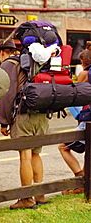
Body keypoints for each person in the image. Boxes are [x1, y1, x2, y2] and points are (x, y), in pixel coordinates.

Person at [0, 38, 48, 209]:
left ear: (2, 52)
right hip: (41, 113)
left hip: (23, 114)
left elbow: (7, 95)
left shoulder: (8, 64)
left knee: (25, 155)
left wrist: (4, 121)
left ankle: (27, 199)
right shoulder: (31, 60)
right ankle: (40, 195)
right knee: (36, 154)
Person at [58, 45, 91, 195]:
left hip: (88, 119)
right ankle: (83, 183)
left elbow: (75, 94)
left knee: (63, 147)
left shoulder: (85, 74)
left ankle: (80, 179)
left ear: (83, 62)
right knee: (88, 152)